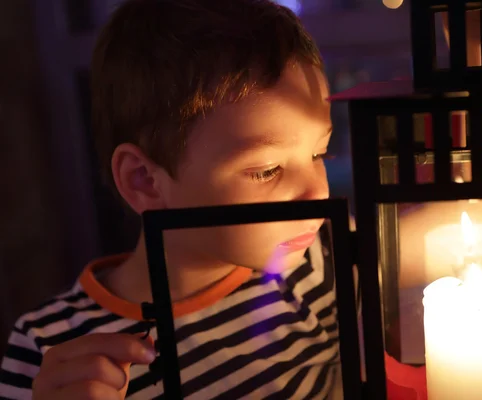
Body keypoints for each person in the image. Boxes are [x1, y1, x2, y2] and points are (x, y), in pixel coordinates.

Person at [0, 1, 340, 399]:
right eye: (266, 170)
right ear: (145, 181)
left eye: (319, 153)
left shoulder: (320, 265)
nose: (318, 192)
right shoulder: (53, 350)